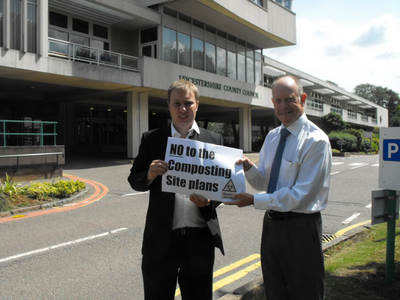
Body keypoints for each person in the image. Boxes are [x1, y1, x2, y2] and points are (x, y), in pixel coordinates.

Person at [224, 75, 332, 300]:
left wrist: (254, 200)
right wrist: (249, 168)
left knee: (306, 292)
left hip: (301, 228)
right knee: (274, 290)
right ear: (272, 102)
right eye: (278, 100)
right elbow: (265, 182)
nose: (283, 107)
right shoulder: (273, 137)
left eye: (289, 99)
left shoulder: (316, 141)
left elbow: (299, 197)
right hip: (272, 227)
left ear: (302, 99)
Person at [128, 79, 224, 300]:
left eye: (188, 103)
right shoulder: (152, 139)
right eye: (177, 103)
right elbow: (134, 180)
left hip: (199, 240)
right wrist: (149, 175)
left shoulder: (214, 140)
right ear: (169, 106)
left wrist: (210, 201)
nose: (183, 109)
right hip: (162, 240)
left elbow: (222, 187)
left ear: (197, 105)